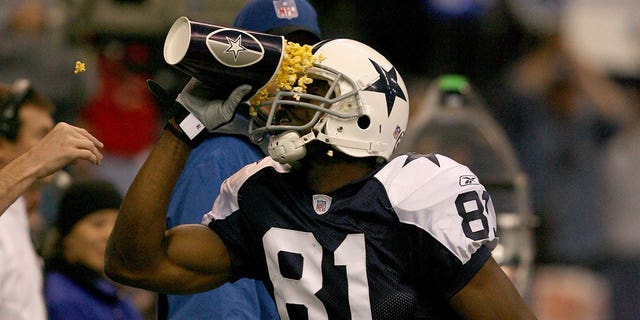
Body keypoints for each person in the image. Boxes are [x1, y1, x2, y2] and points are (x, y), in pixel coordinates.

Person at [105, 38, 536, 319]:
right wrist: (182, 127)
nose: (287, 101)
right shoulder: (261, 193)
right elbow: (136, 263)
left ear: (363, 114)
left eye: (311, 91)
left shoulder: (416, 195)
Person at [157, 1, 322, 319]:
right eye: (277, 57)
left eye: (301, 55)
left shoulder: (313, 160)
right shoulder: (221, 157)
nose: (292, 74)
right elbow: (214, 308)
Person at [0, 79, 103, 320]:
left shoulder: (17, 214)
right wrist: (34, 162)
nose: (53, 145)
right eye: (41, 136)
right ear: (2, 144)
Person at [44, 180, 142, 320]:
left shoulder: (108, 292)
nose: (109, 235)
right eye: (97, 224)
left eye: (117, 224)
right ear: (68, 235)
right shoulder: (63, 299)